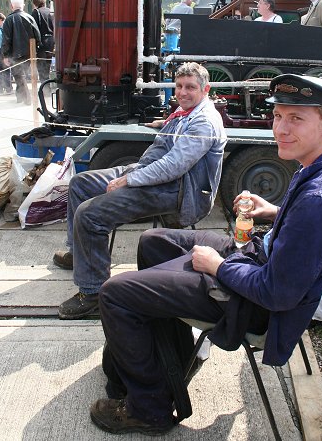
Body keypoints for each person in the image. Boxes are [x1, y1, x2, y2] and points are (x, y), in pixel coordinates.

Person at [89, 73, 322, 436]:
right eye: (278, 116)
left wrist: (218, 266)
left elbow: (276, 292)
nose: (281, 129)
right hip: (263, 261)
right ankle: (169, 360)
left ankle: (150, 408)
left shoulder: (320, 200)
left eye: (296, 119)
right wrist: (273, 211)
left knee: (115, 294)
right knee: (153, 242)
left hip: (261, 305)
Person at [55, 62, 227, 319]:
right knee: (80, 184)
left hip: (179, 190)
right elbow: (178, 128)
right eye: (179, 86)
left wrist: (129, 179)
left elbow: (173, 166)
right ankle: (80, 254)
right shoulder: (187, 110)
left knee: (90, 214)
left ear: (205, 89)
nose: (182, 93)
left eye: (190, 87)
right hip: (155, 175)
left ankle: (92, 293)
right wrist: (163, 123)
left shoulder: (204, 121)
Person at [1, 0, 41, 104]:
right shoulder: (30, 17)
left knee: (19, 76)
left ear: (12, 6)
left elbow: (6, 40)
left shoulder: (9, 20)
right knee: (22, 75)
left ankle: (27, 99)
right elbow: (37, 36)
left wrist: (5, 55)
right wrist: (36, 49)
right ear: (22, 5)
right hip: (29, 52)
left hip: (15, 54)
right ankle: (20, 98)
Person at [31, 0, 55, 93]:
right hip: (51, 41)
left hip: (41, 42)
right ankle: (47, 89)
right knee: (48, 66)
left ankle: (45, 90)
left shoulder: (36, 12)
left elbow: (34, 29)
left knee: (41, 68)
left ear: (35, 3)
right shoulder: (51, 12)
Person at [0, 13, 13, 95]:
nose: (3, 23)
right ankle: (7, 88)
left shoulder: (1, 29)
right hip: (1, 51)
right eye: (2, 21)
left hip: (1, 51)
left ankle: (3, 88)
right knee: (5, 69)